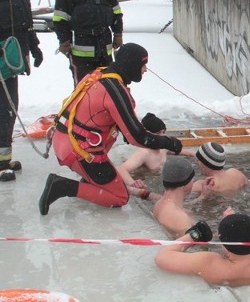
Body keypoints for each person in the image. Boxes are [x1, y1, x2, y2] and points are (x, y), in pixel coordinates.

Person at [38, 43, 183, 215]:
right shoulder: (114, 90)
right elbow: (137, 137)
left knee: (109, 134)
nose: (145, 70)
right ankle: (62, 186)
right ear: (131, 65)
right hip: (79, 151)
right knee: (119, 197)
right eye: (143, 65)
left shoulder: (99, 74)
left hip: (63, 139)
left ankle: (91, 179)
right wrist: (171, 143)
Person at [0, 0, 43, 182]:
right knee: (2, 107)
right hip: (3, 50)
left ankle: (4, 157)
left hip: (12, 53)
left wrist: (34, 46)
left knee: (9, 107)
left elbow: (24, 19)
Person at [52, 0, 123, 86]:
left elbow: (116, 11)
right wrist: (64, 41)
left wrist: (118, 33)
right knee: (83, 91)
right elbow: (60, 18)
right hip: (82, 50)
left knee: (107, 89)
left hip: (105, 48)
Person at [117, 113, 196, 200]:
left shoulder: (163, 148)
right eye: (158, 133)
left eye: (163, 132)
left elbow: (188, 153)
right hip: (146, 181)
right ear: (148, 134)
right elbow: (121, 169)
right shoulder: (144, 153)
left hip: (159, 180)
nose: (162, 136)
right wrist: (133, 183)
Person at [153, 157, 196, 239]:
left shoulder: (159, 203)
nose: (193, 182)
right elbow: (190, 246)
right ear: (184, 184)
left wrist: (202, 197)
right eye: (192, 179)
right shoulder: (180, 218)